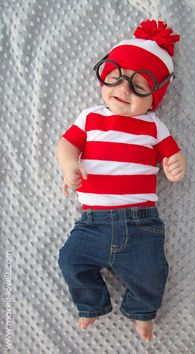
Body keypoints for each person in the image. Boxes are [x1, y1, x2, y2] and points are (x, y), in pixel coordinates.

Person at [57, 19, 185, 341]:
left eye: (138, 86)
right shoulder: (90, 117)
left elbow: (172, 154)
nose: (123, 89)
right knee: (70, 260)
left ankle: (142, 310)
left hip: (141, 223)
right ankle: (90, 303)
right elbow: (66, 144)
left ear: (154, 98)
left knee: (152, 274)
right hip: (92, 223)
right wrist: (69, 164)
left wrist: (174, 165)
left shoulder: (154, 126)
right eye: (115, 78)